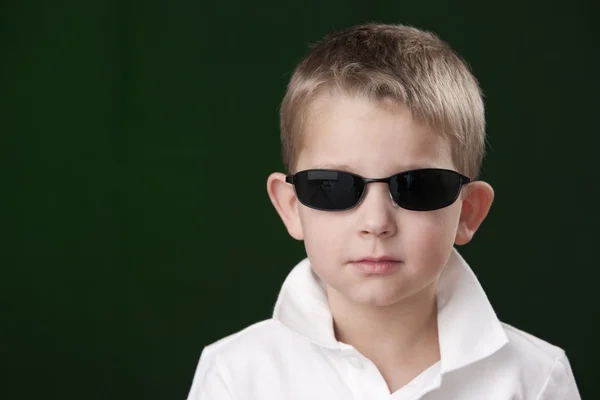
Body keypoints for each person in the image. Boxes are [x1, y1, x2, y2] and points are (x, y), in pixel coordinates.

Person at [186, 23, 581, 399]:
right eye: (333, 186)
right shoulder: (236, 376)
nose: (376, 223)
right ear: (292, 207)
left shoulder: (535, 378)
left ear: (468, 212)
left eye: (417, 186)